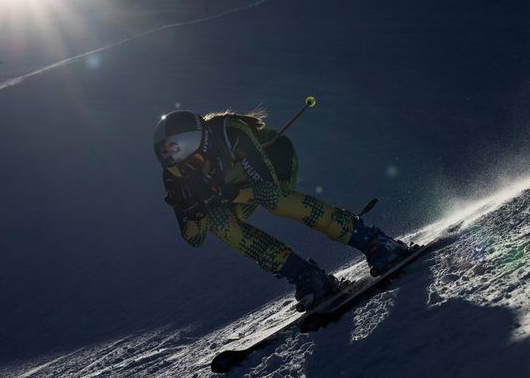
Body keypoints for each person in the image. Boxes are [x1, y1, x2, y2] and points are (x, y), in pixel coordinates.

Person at [153, 108, 410, 310]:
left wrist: (230, 192)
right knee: (220, 223)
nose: (181, 164)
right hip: (235, 189)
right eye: (170, 156)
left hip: (276, 162)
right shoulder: (176, 176)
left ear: (197, 141)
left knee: (275, 200)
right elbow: (195, 239)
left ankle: (374, 241)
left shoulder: (230, 132)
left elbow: (269, 185)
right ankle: (306, 276)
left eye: (180, 152)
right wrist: (192, 212)